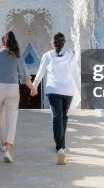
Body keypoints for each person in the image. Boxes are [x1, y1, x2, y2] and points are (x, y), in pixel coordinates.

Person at [0, 31, 36, 163]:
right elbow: (25, 77)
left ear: (2, 41)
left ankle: (3, 142)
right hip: (12, 89)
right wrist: (33, 88)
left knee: (0, 116)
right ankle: (8, 150)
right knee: (12, 119)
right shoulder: (18, 57)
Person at [31, 32, 78, 165]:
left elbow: (40, 72)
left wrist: (34, 87)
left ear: (53, 43)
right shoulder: (70, 56)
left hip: (53, 90)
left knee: (57, 117)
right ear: (64, 43)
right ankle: (61, 147)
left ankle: (60, 148)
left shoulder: (48, 55)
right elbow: (76, 74)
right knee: (63, 117)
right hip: (67, 91)